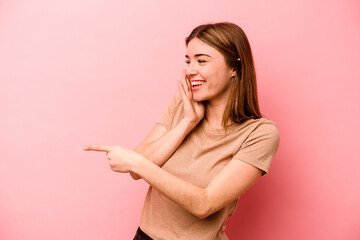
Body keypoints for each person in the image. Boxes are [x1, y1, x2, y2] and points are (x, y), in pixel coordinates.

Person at [83, 22, 280, 240]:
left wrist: (135, 161)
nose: (190, 70)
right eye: (188, 61)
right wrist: (187, 122)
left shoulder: (259, 133)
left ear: (234, 67)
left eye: (202, 61)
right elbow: (136, 172)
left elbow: (205, 204)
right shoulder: (183, 104)